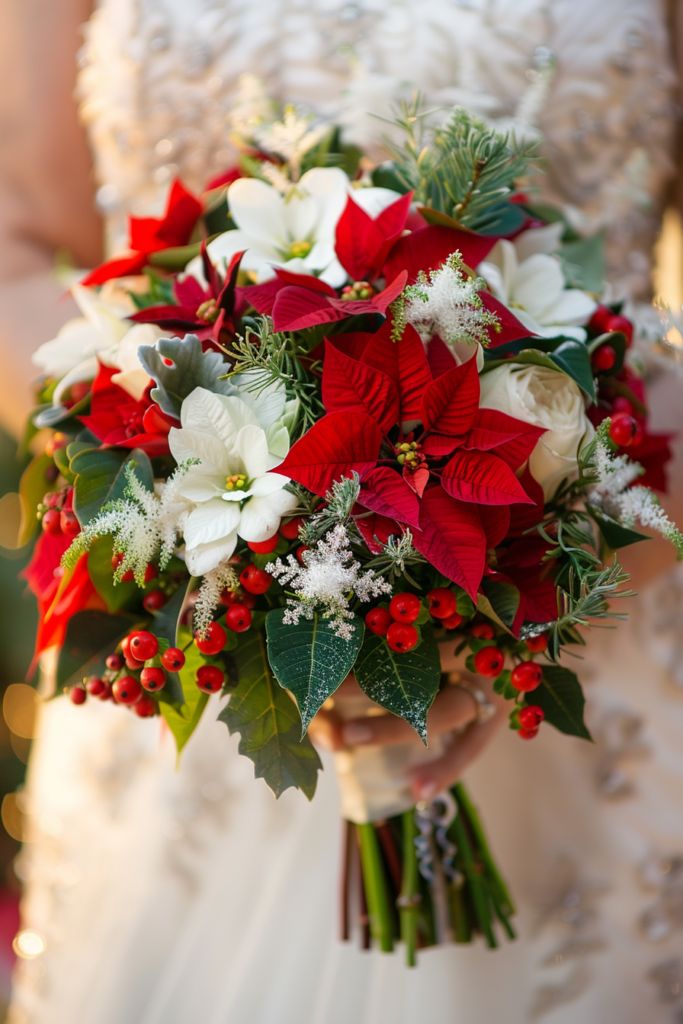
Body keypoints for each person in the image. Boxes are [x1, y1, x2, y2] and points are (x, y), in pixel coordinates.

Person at [3, 2, 683, 1021]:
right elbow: (19, 240)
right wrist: (172, 473)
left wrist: (512, 603)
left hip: (596, 621)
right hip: (200, 620)